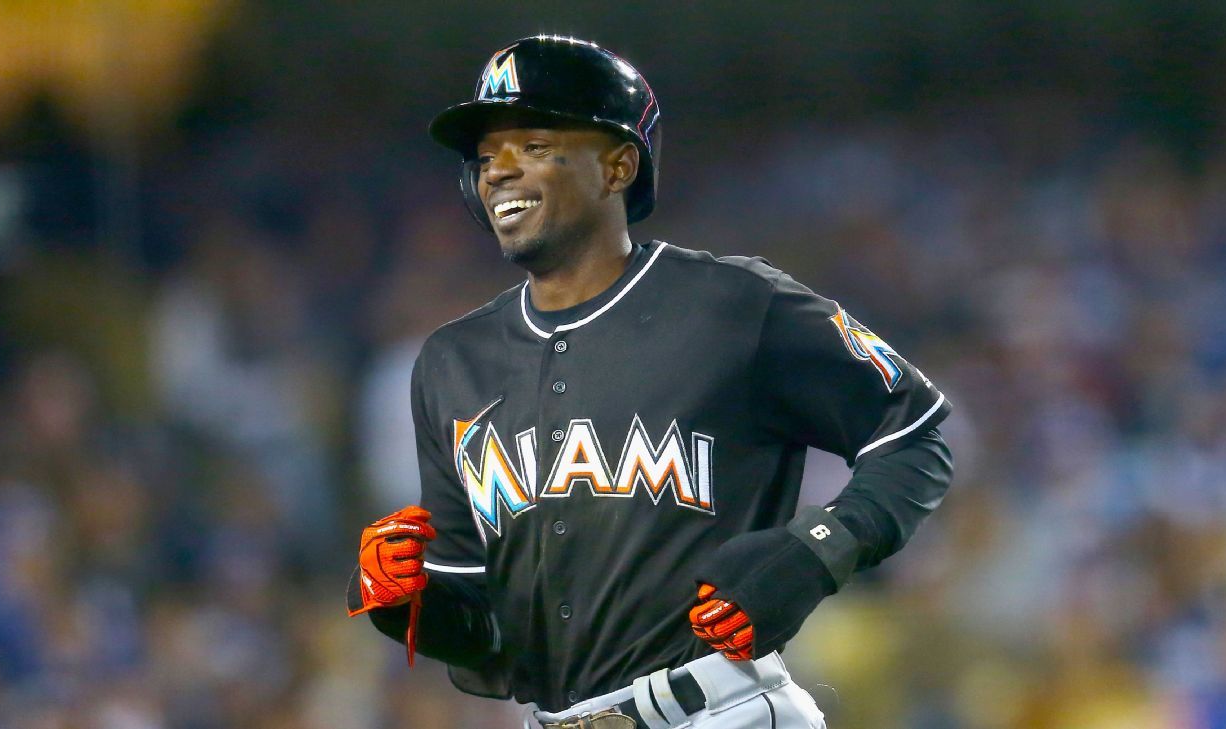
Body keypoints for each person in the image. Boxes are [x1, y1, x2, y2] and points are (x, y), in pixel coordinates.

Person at [347, 35, 954, 729]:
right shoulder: (452, 363)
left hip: (720, 710)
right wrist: (406, 604)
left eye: (534, 146)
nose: (499, 172)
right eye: (487, 156)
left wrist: (820, 549)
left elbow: (915, 432)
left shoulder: (733, 304)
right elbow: (490, 631)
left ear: (618, 166)